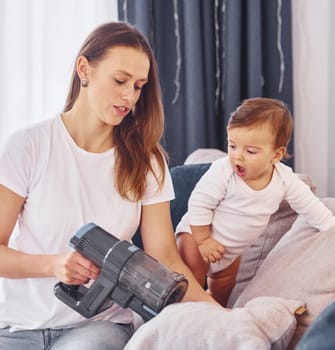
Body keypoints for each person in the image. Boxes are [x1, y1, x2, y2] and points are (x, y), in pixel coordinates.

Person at [0, 21, 217, 350]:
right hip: (18, 326)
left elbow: (166, 260)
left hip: (97, 327)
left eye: (139, 86)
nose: (129, 96)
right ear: (84, 69)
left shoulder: (147, 161)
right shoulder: (28, 146)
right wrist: (54, 264)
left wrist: (221, 317)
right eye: (120, 80)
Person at [176, 97, 335, 306]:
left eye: (250, 151)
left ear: (276, 155)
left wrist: (331, 226)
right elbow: (199, 203)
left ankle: (215, 310)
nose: (238, 157)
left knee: (224, 285)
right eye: (232, 146)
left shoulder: (285, 179)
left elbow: (309, 205)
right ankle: (187, 309)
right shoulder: (223, 171)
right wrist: (203, 240)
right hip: (196, 237)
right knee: (191, 282)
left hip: (230, 252)